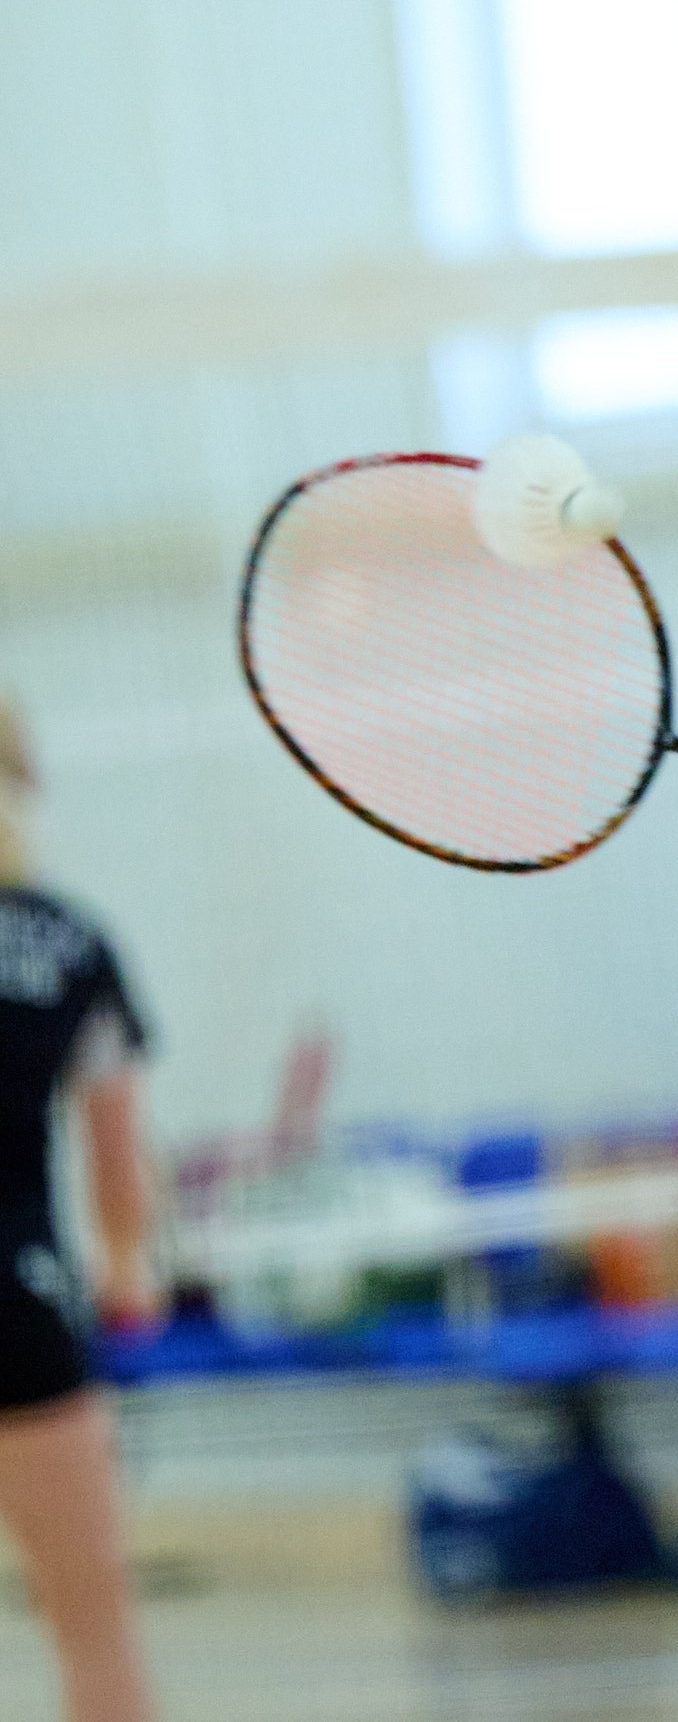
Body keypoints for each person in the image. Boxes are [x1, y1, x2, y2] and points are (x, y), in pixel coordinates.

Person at [0, 701, 160, 1722]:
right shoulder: (70, 940)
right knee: (96, 1631)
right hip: (21, 1301)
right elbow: (117, 1167)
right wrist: (125, 1269)